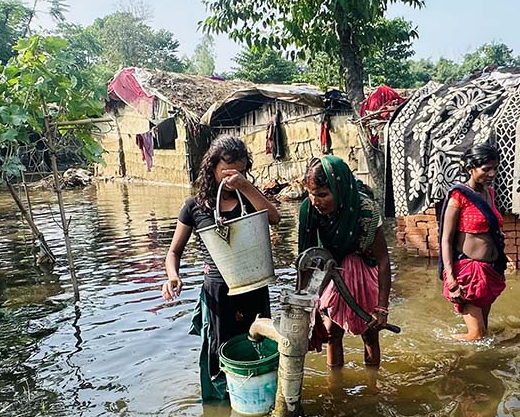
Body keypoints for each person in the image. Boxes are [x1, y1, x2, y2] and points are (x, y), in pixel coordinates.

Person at [162, 136, 281, 401]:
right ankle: (224, 405)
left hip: (253, 283)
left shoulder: (248, 199)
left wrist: (246, 187)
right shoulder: (195, 207)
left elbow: (274, 218)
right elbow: (174, 251)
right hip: (218, 292)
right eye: (226, 172)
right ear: (212, 168)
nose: (231, 178)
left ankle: (260, 396)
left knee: (258, 343)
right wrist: (173, 276)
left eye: (239, 172)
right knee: (220, 350)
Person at [299, 155, 392, 368]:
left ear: (339, 190)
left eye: (322, 195)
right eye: (311, 195)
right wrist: (304, 303)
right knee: (331, 333)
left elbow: (383, 259)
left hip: (362, 268)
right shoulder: (309, 211)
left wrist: (382, 307)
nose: (316, 202)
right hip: (329, 270)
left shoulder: (365, 211)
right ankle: (336, 388)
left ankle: (372, 388)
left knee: (370, 333)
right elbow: (307, 260)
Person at [439, 144, 507, 340]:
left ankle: (478, 364)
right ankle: (442, 344)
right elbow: (446, 239)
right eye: (486, 169)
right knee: (476, 335)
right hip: (468, 273)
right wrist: (451, 280)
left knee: (485, 333)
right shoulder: (459, 196)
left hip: (489, 271)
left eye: (495, 168)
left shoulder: (489, 194)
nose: (492, 174)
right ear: (470, 168)